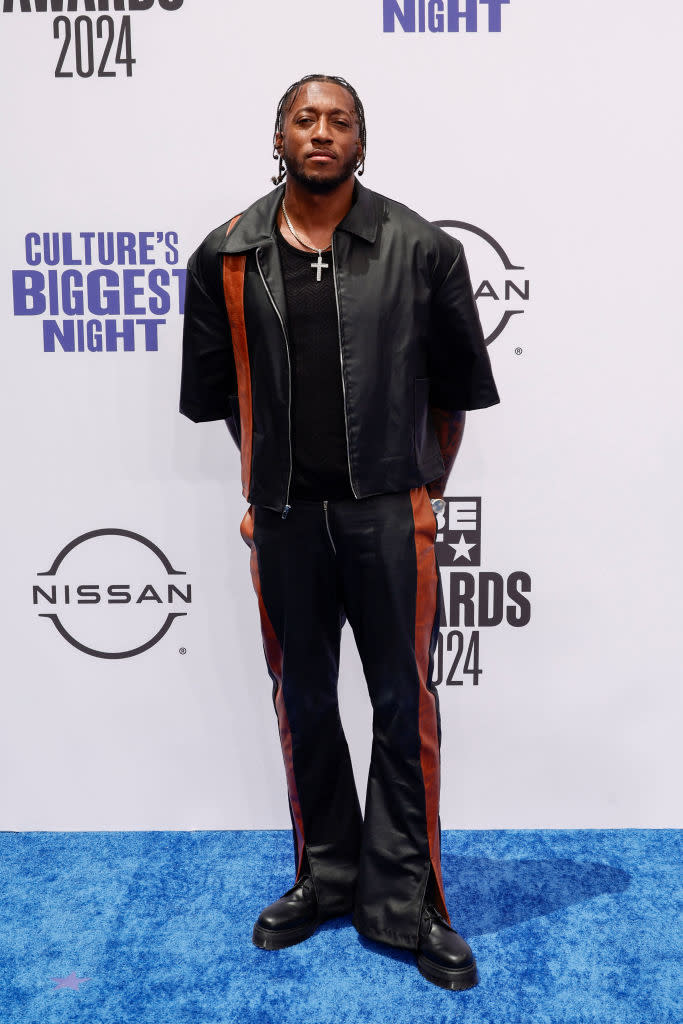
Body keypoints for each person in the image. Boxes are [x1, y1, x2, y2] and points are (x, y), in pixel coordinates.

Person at [179, 73, 500, 991]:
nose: (321, 132)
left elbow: (451, 397)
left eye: (339, 121)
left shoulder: (421, 249)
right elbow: (229, 402)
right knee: (304, 703)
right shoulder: (227, 255)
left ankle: (408, 902)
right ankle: (324, 877)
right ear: (279, 136)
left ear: (361, 141)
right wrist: (263, 484)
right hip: (283, 521)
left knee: (404, 708)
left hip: (389, 517)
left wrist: (416, 488)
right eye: (304, 119)